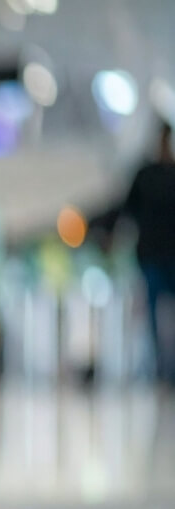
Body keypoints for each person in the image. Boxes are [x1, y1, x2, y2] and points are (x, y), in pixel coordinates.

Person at [118, 122, 175, 385]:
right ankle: (159, 367)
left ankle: (167, 367)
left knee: (163, 314)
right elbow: (126, 210)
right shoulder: (145, 175)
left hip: (166, 257)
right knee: (153, 314)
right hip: (152, 257)